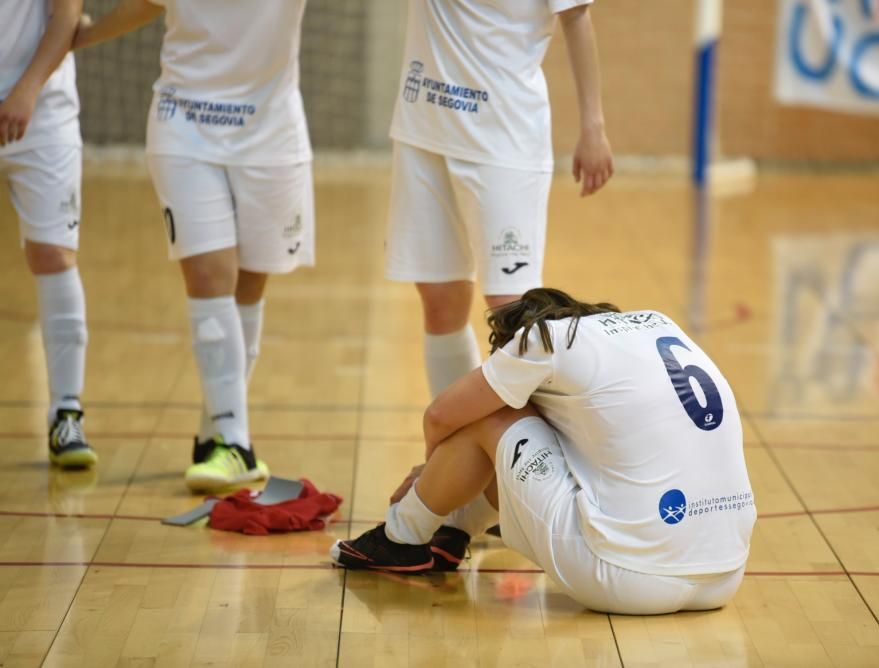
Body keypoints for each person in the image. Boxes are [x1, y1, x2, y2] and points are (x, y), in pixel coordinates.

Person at [332, 288, 757, 615]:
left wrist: (429, 481)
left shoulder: (543, 339)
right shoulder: (656, 325)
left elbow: (441, 416)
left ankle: (401, 537)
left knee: (488, 411)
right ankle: (454, 532)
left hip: (628, 580)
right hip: (726, 574)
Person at [74, 0, 315, 491]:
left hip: (269, 134)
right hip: (184, 123)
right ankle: (235, 441)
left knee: (246, 289)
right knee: (208, 277)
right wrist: (86, 34)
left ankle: (216, 434)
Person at [386, 0, 615, 399]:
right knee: (440, 299)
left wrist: (593, 126)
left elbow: (577, 17)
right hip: (423, 131)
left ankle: (525, 454)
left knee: (513, 312)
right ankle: (455, 452)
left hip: (502, 139)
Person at [1, 0, 96, 468]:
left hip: (41, 110)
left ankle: (66, 412)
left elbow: (67, 15)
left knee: (54, 254)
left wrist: (26, 90)